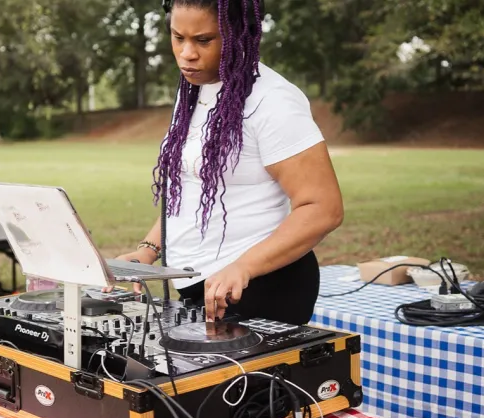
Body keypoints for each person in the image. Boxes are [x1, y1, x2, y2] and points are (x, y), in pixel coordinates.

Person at [111, 0, 343, 325]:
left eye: (203, 40)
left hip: (262, 287)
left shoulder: (273, 100)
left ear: (238, 33)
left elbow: (323, 208)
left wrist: (243, 266)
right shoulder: (194, 89)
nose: (187, 53)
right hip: (202, 286)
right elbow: (189, 189)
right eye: (178, 37)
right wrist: (148, 249)